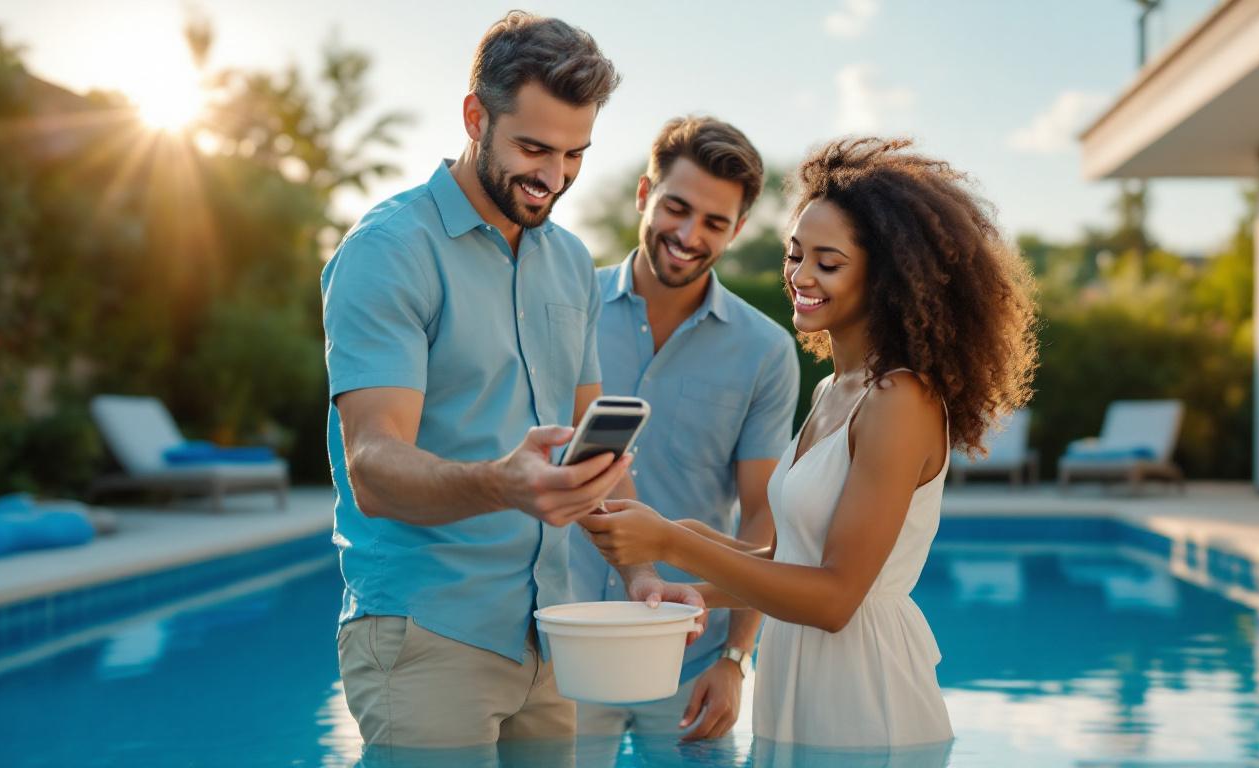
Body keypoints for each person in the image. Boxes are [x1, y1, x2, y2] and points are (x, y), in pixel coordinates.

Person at [320, 11, 701, 748]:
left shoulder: (567, 261)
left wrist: (641, 577)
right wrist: (501, 483)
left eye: (574, 154)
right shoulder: (389, 251)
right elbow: (373, 466)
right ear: (475, 117)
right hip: (427, 633)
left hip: (549, 638)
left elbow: (593, 457)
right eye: (533, 147)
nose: (553, 177)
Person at [581, 136, 1038, 748]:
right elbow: (795, 559)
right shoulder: (832, 390)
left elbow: (834, 598)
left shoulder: (901, 400)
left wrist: (668, 542)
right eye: (796, 255)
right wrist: (693, 586)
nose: (800, 276)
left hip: (864, 695)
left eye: (828, 262)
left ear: (886, 277)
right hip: (801, 679)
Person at [570, 116, 799, 746]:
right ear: (644, 195)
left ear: (738, 230)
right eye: (676, 207)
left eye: (714, 222)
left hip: (689, 654)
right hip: (561, 645)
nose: (688, 234)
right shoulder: (568, 311)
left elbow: (762, 518)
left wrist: (735, 659)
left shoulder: (766, 351)